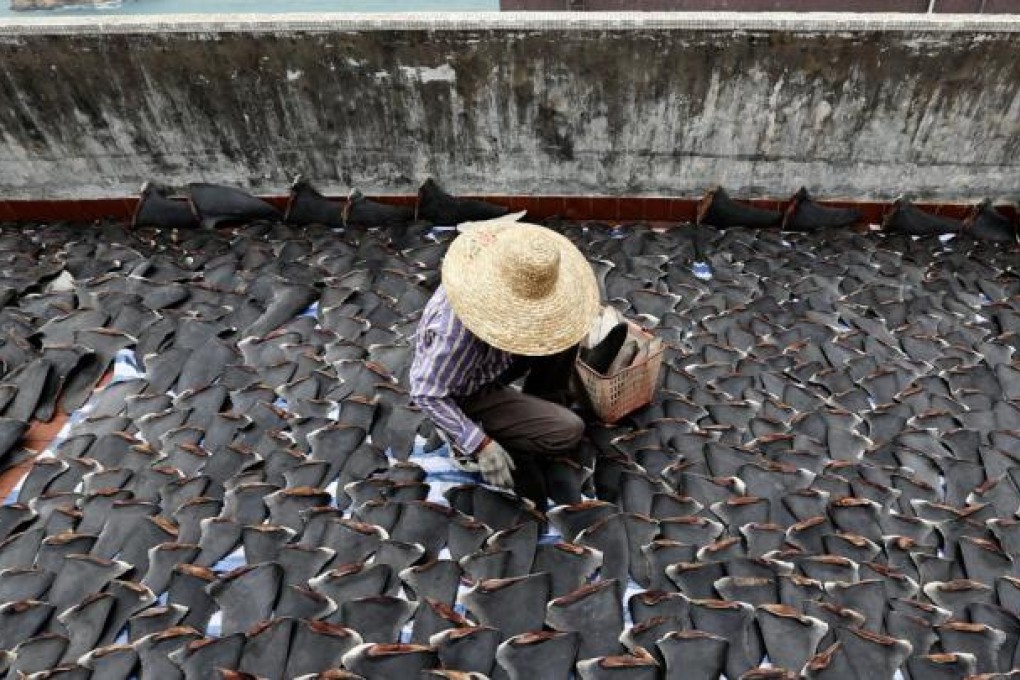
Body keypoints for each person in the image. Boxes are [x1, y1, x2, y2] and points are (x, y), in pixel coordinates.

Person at [409, 221, 602, 508]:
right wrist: (480, 444)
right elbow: (425, 392)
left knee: (564, 332)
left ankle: (536, 408)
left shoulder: (499, 265)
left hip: (493, 361)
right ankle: (480, 431)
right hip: (463, 390)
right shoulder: (456, 333)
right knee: (568, 430)